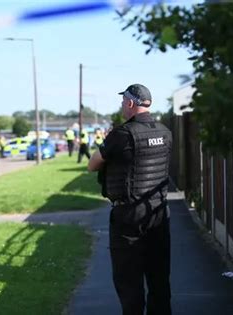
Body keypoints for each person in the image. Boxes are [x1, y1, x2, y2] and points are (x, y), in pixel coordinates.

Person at [88, 84, 172, 315]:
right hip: (158, 214)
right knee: (159, 280)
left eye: (122, 102)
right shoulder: (165, 132)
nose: (121, 106)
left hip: (128, 217)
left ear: (130, 103)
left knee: (129, 284)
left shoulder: (122, 134)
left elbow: (92, 164)